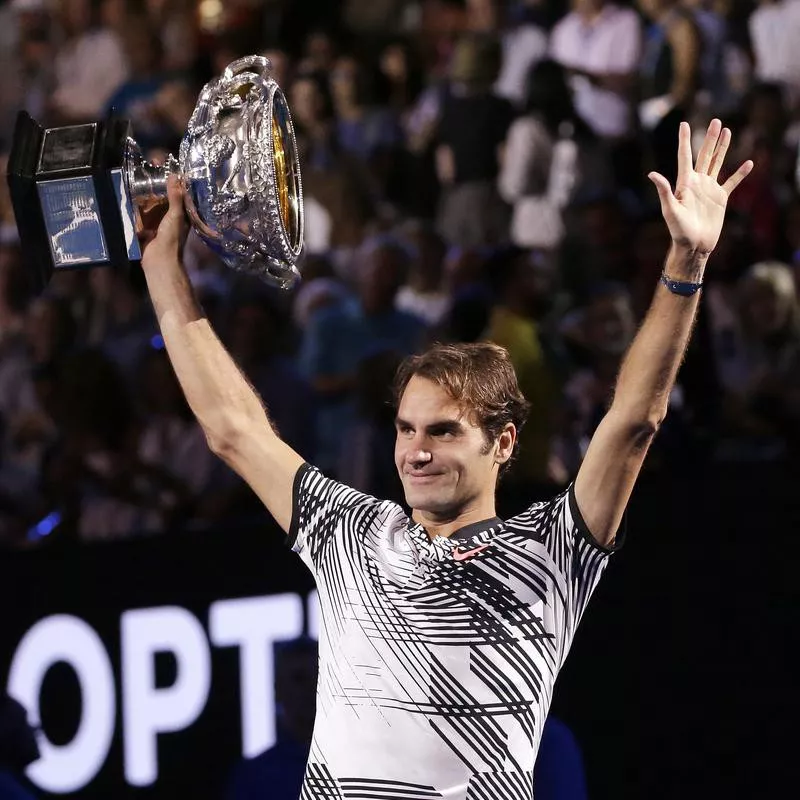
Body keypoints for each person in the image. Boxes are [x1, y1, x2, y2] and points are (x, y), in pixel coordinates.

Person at [138, 119, 752, 798]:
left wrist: (686, 261)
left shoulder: (552, 551)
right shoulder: (349, 533)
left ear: (504, 444)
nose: (416, 451)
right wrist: (162, 268)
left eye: (443, 432)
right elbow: (233, 430)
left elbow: (635, 420)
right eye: (405, 429)